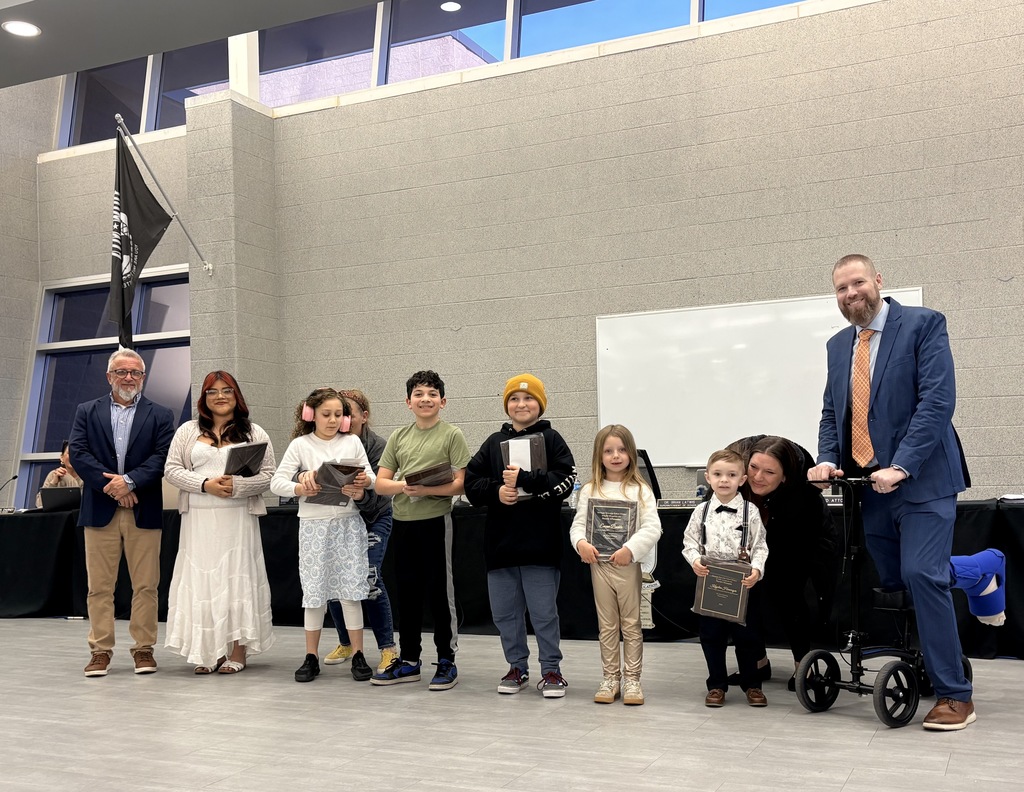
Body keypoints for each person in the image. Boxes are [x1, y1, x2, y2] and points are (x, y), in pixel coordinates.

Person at [808, 253, 974, 731]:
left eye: (857, 282)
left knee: (923, 574)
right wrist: (827, 458)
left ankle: (955, 695)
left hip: (923, 480)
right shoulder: (838, 345)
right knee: (898, 582)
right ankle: (978, 573)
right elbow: (832, 412)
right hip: (870, 487)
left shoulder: (923, 324)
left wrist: (901, 465)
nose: (850, 294)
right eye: (841, 288)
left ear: (878, 280)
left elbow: (937, 401)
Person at [464, 374, 577, 697]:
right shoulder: (492, 443)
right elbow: (471, 483)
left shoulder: (552, 439)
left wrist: (527, 479)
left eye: (528, 399)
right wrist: (497, 491)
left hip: (540, 547)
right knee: (505, 615)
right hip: (500, 548)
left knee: (544, 614)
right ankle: (517, 668)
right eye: (514, 399)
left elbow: (565, 481)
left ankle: (552, 671)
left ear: (540, 404)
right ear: (506, 405)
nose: (521, 404)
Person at [68, 348, 175, 677]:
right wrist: (113, 487)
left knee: (146, 586)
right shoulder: (87, 411)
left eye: (135, 373)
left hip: (144, 510)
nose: (129, 378)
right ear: (109, 376)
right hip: (99, 510)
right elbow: (79, 453)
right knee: (99, 586)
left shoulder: (161, 414)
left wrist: (129, 482)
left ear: (143, 377)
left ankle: (143, 649)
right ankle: (100, 651)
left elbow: (163, 457)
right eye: (122, 372)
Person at [163, 371, 276, 674]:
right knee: (202, 582)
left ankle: (237, 651)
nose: (220, 396)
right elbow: (172, 470)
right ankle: (208, 652)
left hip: (238, 517)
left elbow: (269, 475)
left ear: (236, 395)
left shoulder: (254, 432)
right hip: (198, 517)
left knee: (236, 579)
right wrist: (205, 485)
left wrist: (238, 486)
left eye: (227, 390)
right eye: (212, 392)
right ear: (204, 398)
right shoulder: (187, 430)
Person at [370, 370, 471, 691]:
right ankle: (410, 660)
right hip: (402, 523)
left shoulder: (452, 434)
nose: (425, 399)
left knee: (441, 594)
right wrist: (405, 486)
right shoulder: (399, 437)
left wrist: (427, 490)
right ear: (408, 402)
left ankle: (446, 660)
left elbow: (460, 484)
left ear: (442, 401)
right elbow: (381, 483)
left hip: (437, 522)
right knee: (407, 592)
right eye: (418, 394)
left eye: (431, 394)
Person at [270, 388, 375, 684]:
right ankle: (311, 656)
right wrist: (299, 487)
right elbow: (276, 482)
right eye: (326, 414)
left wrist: (362, 481)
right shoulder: (300, 445)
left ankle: (358, 654)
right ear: (310, 415)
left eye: (338, 415)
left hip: (348, 524)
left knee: (351, 593)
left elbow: (372, 478)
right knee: (314, 593)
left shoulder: (352, 441)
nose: (332, 420)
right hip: (313, 526)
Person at [728, 435, 838, 691]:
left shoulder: (803, 495)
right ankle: (758, 662)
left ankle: (803, 666)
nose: (757, 477)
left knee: (789, 595)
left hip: (802, 541)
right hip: (754, 539)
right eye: (753, 468)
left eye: (769, 472)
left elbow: (795, 547)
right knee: (743, 596)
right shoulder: (736, 477)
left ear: (785, 477)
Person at [569, 424, 662, 706]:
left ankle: (632, 679)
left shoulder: (640, 490)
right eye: (608, 451)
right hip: (600, 566)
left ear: (631, 453)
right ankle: (610, 678)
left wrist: (630, 550)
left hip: (627, 566)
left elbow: (653, 527)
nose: (616, 456)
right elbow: (578, 525)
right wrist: (581, 544)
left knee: (631, 624)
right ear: (599, 455)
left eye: (622, 450)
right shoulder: (590, 489)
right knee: (607, 625)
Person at [683, 449, 769, 708]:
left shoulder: (750, 511)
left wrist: (757, 570)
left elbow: (760, 545)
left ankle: (752, 684)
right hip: (710, 582)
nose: (724, 480)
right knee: (711, 637)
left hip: (742, 585)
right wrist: (695, 560)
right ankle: (717, 685)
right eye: (718, 474)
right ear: (708, 477)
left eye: (731, 475)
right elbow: (689, 542)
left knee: (748, 638)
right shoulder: (701, 511)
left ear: (742, 480)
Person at [323, 389, 398, 675]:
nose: (340, 419)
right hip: (340, 520)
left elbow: (380, 496)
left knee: (370, 576)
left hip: (373, 517)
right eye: (334, 414)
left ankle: (388, 648)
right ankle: (346, 642)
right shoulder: (325, 442)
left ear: (363, 417)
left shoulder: (378, 446)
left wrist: (361, 495)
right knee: (335, 579)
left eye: (346, 414)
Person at [35, 439, 84, 507]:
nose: (73, 456)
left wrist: (69, 479)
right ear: (62, 457)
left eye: (76, 453)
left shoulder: (86, 477)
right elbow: (40, 504)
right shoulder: (53, 474)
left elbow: (80, 505)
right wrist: (53, 483)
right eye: (69, 453)